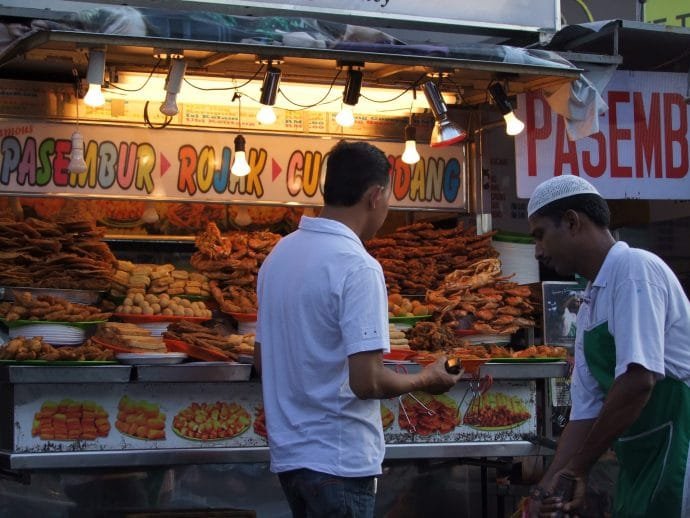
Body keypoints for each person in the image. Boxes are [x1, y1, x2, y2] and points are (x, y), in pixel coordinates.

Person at [255, 140, 463, 518]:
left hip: (290, 459)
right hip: (339, 462)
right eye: (389, 198)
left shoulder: (279, 255)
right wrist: (425, 378)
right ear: (375, 195)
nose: (387, 208)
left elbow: (260, 358)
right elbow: (366, 383)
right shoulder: (358, 266)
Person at [525, 175, 690, 518]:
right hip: (641, 459)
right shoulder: (588, 302)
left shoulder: (634, 269)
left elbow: (637, 381)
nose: (538, 251)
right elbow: (585, 413)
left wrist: (578, 469)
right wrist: (548, 488)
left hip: (681, 451)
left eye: (540, 235)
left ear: (571, 221)